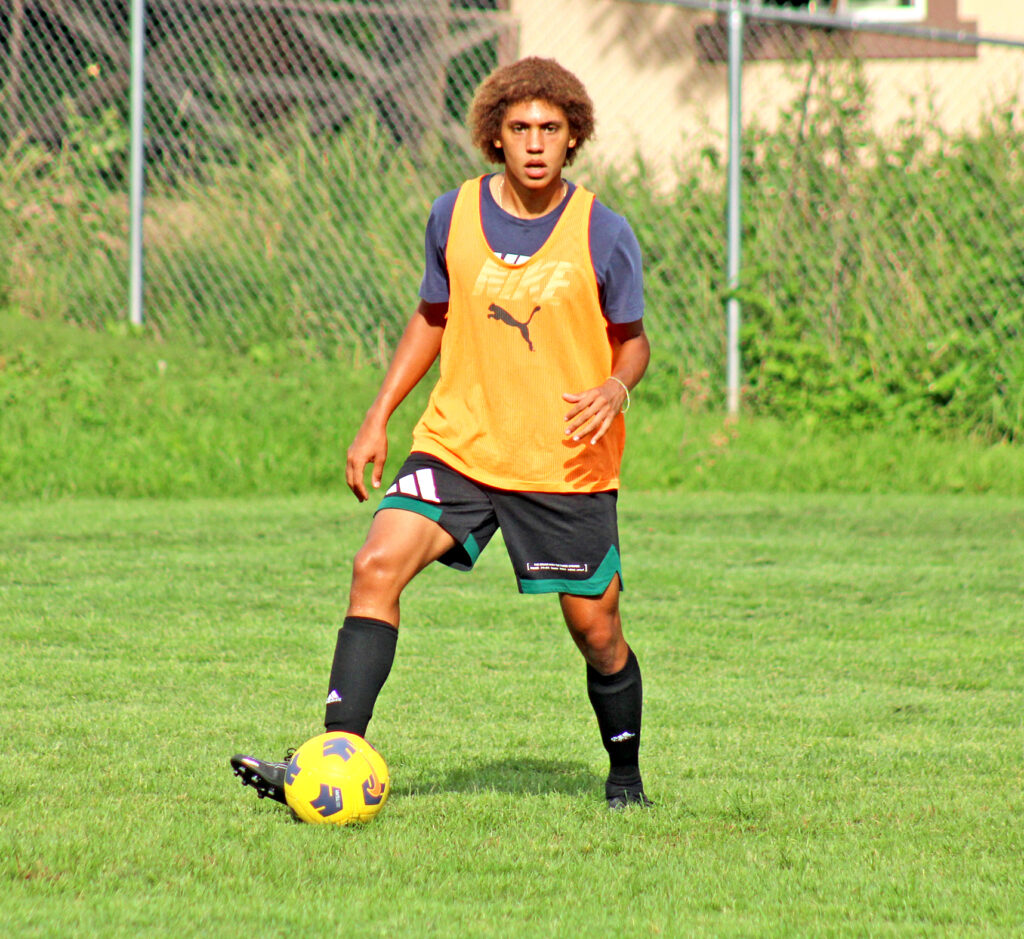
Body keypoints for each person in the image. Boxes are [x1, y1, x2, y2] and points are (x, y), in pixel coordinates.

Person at [231, 56, 652, 810]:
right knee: (375, 565)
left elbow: (634, 340)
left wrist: (615, 387)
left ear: (573, 136)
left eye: (550, 128)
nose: (534, 142)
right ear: (495, 136)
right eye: (519, 128)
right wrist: (378, 415)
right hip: (458, 445)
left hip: (560, 460)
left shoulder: (602, 229)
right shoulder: (451, 214)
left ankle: (625, 779)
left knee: (597, 630)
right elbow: (432, 316)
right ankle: (329, 764)